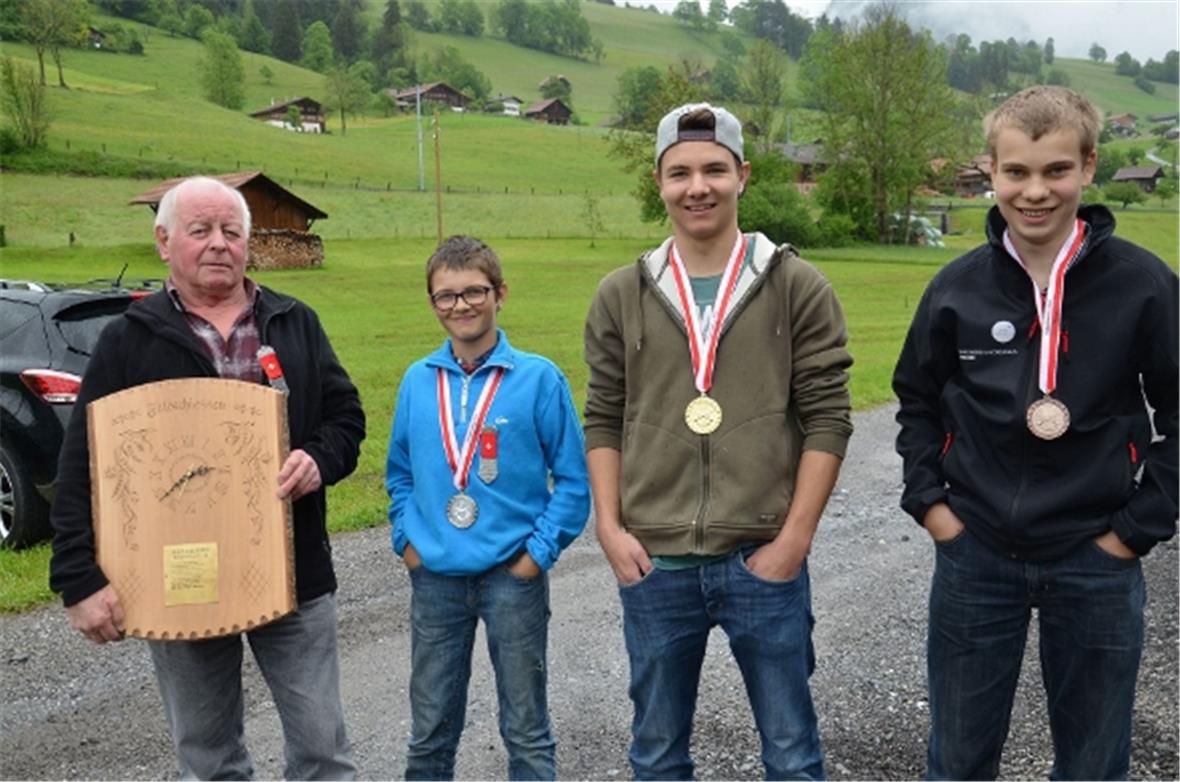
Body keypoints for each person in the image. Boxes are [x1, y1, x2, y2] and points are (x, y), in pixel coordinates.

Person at [893, 85, 1179, 780]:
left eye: (1056, 170)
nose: (1035, 192)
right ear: (990, 170)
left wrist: (1134, 529)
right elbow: (916, 400)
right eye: (1017, 172)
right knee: (957, 761)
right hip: (976, 554)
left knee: (1092, 765)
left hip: (1097, 558)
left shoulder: (1143, 285)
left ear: (1088, 167)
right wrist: (934, 508)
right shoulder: (957, 287)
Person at [49, 176, 366, 781]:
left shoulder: (293, 321)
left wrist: (319, 460)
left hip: (291, 570)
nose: (219, 244)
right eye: (201, 231)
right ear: (164, 242)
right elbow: (82, 462)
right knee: (208, 757)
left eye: (231, 231)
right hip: (178, 578)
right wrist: (78, 578)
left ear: (247, 243)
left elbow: (345, 418)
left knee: (323, 752)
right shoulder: (127, 340)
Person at [583, 103, 854, 780]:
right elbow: (604, 416)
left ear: (743, 176)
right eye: (680, 173)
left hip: (762, 558)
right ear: (659, 182)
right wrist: (610, 528)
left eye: (713, 169)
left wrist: (794, 540)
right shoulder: (621, 294)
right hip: (656, 566)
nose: (696, 186)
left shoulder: (796, 285)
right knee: (656, 754)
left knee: (792, 754)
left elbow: (828, 416)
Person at [385, 236, 590, 781]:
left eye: (473, 291)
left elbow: (573, 479)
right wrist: (407, 543)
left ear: (500, 293)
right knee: (429, 731)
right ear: (432, 303)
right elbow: (399, 473)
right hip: (435, 579)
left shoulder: (539, 378)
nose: (461, 306)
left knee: (525, 730)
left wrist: (535, 556)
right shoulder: (417, 380)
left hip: (512, 578)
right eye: (445, 296)